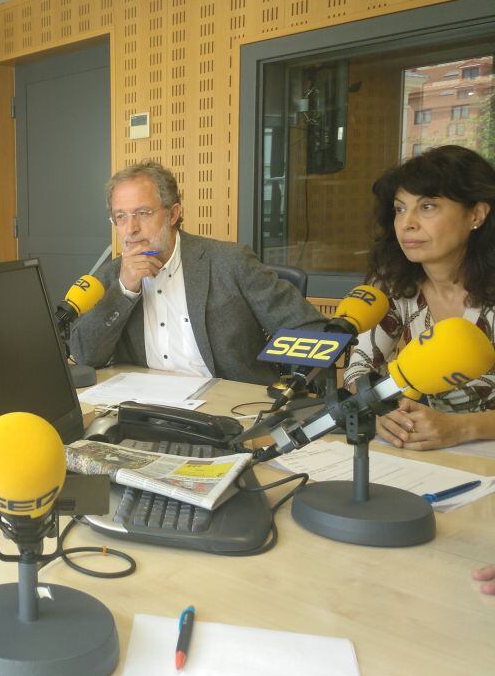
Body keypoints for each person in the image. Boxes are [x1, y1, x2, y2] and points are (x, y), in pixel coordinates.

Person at [69, 161, 324, 385]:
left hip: (230, 407)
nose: (131, 229)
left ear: (173, 214)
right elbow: (85, 356)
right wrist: (124, 291)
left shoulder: (230, 262)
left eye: (143, 213)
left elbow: (312, 332)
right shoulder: (113, 277)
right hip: (147, 408)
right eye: (120, 217)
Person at [344, 145, 495, 450]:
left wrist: (462, 428)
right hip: (427, 453)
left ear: (476, 214)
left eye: (427, 207)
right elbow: (359, 370)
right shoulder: (393, 281)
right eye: (400, 208)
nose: (407, 223)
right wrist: (380, 411)